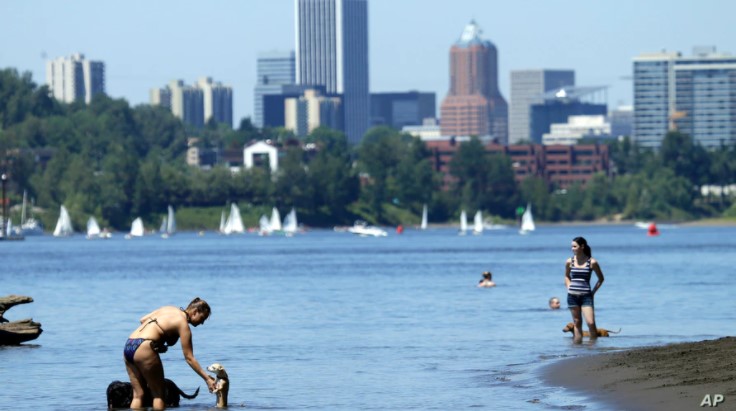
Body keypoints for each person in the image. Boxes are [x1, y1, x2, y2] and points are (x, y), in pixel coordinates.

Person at [124, 297, 216, 409]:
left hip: (129, 344)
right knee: (159, 395)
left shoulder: (168, 308)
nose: (202, 323)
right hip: (144, 348)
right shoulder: (183, 325)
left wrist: (158, 341)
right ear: (195, 312)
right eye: (202, 318)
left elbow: (143, 320)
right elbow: (189, 358)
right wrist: (207, 379)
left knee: (138, 395)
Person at [565, 237, 605, 343]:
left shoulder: (592, 262)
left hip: (586, 297)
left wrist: (593, 292)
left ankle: (593, 347)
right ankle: (578, 347)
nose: (572, 248)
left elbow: (601, 279)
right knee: (577, 323)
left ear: (582, 247)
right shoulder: (569, 261)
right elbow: (566, 276)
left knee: (591, 322)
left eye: (574, 246)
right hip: (572, 297)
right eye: (571, 246)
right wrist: (569, 288)